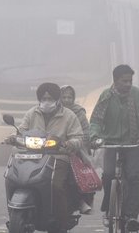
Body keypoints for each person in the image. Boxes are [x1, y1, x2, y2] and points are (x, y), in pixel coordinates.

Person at [89, 64, 139, 231]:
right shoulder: (106, 96)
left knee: (133, 177)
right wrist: (94, 137)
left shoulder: (136, 94)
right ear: (115, 81)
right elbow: (95, 120)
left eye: (130, 81)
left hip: (133, 144)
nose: (128, 84)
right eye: (125, 81)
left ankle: (132, 216)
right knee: (108, 174)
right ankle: (108, 210)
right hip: (111, 143)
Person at [17, 82, 84, 233]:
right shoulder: (31, 113)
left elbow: (79, 137)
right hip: (33, 156)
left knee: (56, 186)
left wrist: (69, 143)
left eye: (50, 98)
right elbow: (21, 131)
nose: (46, 101)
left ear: (57, 99)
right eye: (43, 98)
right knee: (17, 179)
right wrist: (12, 138)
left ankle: (61, 223)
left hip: (59, 157)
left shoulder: (69, 115)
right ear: (39, 99)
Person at [60, 85, 94, 214]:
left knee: (73, 175)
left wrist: (75, 144)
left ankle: (80, 201)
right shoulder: (53, 111)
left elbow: (85, 133)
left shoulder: (79, 112)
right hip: (53, 148)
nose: (67, 100)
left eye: (69, 97)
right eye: (64, 97)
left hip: (75, 150)